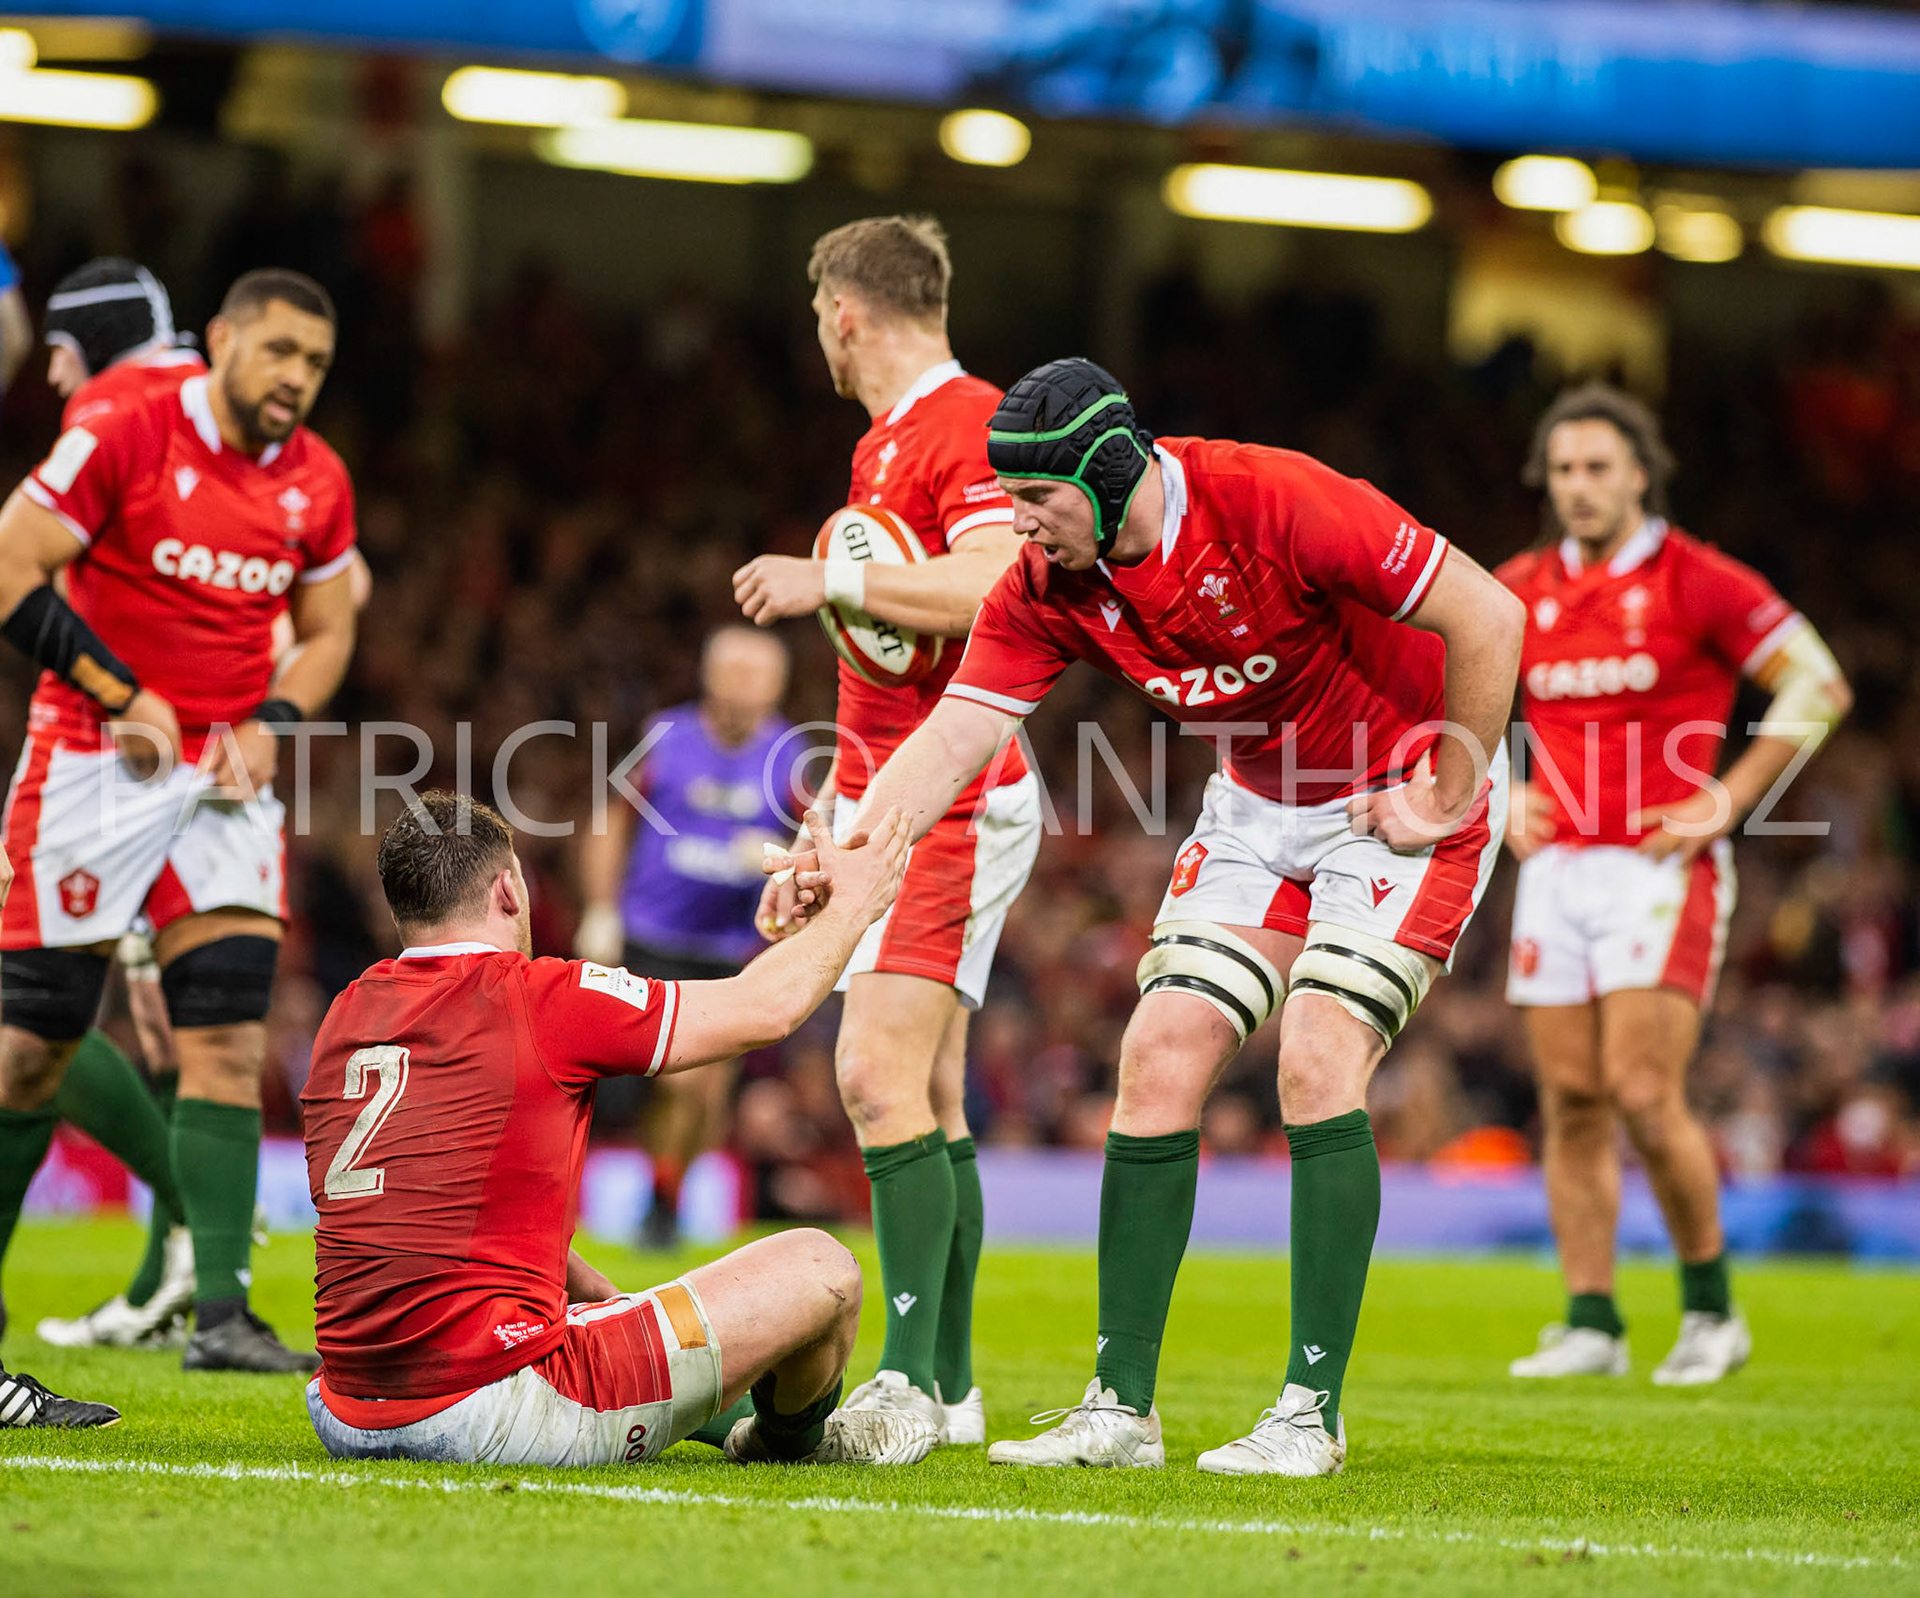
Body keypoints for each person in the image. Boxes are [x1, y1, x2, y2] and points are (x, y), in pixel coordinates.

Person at [774, 358, 1525, 1475]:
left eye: (1038, 499)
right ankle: (1120, 1406)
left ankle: (1308, 1412)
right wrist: (837, 851)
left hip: (1400, 785)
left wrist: (1448, 789)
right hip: (1261, 799)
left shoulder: (1273, 500)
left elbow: (1488, 609)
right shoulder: (1041, 584)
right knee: (1158, 1052)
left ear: (1108, 470)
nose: (1019, 524)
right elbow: (949, 741)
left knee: (1317, 1057)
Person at [301, 790, 938, 1469]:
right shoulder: (542, 996)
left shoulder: (347, 1014)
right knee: (823, 1267)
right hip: (490, 1403)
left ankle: (708, 1400)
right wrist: (855, 907)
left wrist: (606, 1299)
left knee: (613, 1319)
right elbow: (766, 1011)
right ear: (510, 891)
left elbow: (415, 1212)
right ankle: (789, 1441)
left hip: (346, 1407)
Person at [0, 267, 359, 1373]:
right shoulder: (126, 424)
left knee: (225, 1037)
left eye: (315, 362)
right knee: (30, 1048)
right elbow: (12, 560)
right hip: (91, 763)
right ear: (220, 341)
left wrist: (278, 720)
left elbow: (333, 622)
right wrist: (123, 693)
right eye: (279, 351)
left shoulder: (317, 480)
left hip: (225, 779)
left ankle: (220, 1313)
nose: (295, 378)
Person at [733, 215, 1042, 1445]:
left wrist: (833, 580)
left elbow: (998, 586)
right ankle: (950, 1388)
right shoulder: (885, 448)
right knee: (932, 1091)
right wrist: (828, 821)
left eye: (820, 314)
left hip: (957, 788)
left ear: (844, 312)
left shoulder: (968, 420)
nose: (820, 333)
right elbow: (885, 681)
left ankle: (908, 1385)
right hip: (895, 783)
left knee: (872, 1074)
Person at [1498, 384, 1850, 1385]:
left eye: (1598, 467)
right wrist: (1497, 789)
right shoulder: (1520, 584)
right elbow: (1438, 679)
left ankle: (1710, 1311)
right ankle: (1592, 1320)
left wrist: (1729, 796)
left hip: (1660, 865)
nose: (1579, 486)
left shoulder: (1699, 579)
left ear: (1640, 474)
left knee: (1644, 1092)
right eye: (1563, 469)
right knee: (1570, 1097)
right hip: (1558, 865)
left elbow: (1818, 681)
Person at [27, 258, 210, 1352]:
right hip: (191, 739)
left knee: (43, 999)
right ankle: (178, 1260)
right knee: (162, 1018)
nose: (50, 372)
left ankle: (188, 1231)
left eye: (60, 344)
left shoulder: (117, 405)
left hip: (117, 746)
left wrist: (121, 694)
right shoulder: (201, 412)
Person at [577, 626, 802, 1249]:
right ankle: (657, 1198)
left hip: (731, 947)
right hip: (652, 935)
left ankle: (667, 1197)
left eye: (756, 677)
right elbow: (609, 821)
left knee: (709, 1092)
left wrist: (775, 856)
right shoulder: (664, 737)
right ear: (708, 676)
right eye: (732, 673)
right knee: (678, 1081)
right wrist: (601, 909)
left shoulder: (792, 757)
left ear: (776, 687)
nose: (742, 689)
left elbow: (815, 848)